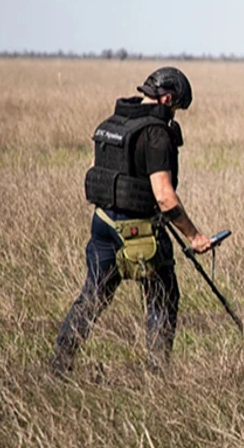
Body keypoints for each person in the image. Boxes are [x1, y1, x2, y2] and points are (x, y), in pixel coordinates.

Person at [51, 67, 213, 377]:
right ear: (166, 98)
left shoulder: (112, 124)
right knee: (163, 296)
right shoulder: (156, 133)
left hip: (102, 224)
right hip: (139, 233)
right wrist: (194, 237)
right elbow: (164, 197)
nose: (174, 116)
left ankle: (59, 368)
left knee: (92, 297)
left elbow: (96, 172)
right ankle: (157, 375)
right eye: (175, 108)